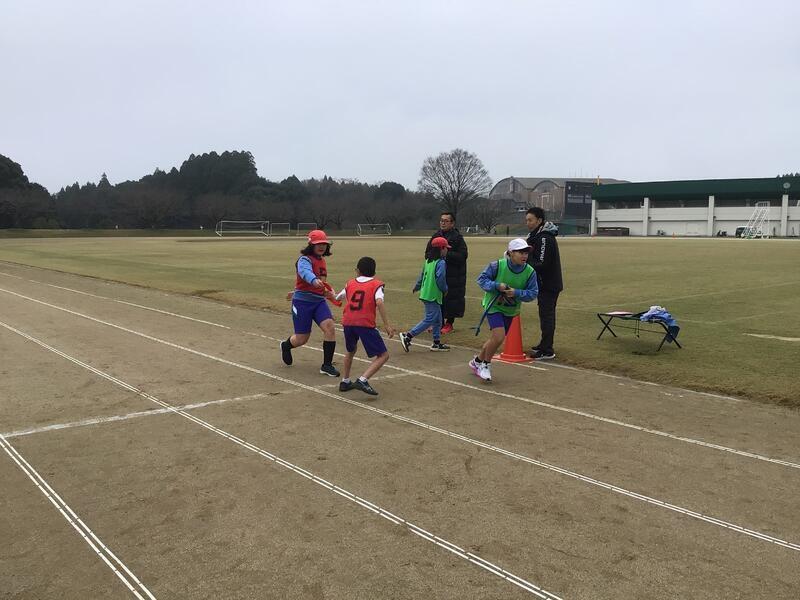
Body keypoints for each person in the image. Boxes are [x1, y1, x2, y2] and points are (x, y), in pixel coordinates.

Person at [469, 238, 538, 382]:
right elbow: (481, 280)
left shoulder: (530, 272)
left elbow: (533, 293)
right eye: (520, 252)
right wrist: (496, 286)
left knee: (495, 339)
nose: (524, 256)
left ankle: (477, 361)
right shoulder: (496, 266)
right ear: (511, 253)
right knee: (499, 337)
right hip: (493, 306)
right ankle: (485, 365)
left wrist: (516, 293)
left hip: (511, 310)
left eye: (526, 252)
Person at [280, 229, 340, 376]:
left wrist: (329, 293)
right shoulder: (304, 260)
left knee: (330, 328)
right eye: (318, 244)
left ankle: (326, 365)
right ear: (311, 245)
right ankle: (286, 346)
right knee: (302, 339)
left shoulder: (322, 261)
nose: (322, 246)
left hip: (319, 302)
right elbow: (305, 272)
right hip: (302, 303)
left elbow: (322, 284)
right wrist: (313, 280)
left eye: (324, 244)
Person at [335, 257, 396, 397]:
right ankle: (363, 379)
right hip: (364, 323)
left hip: (348, 321)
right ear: (374, 272)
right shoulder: (376, 284)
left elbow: (338, 297)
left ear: (357, 270)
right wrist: (387, 325)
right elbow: (379, 302)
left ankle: (345, 381)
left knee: (351, 350)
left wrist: (330, 293)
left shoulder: (350, 283)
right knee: (383, 355)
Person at [399, 236, 451, 352]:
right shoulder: (441, 262)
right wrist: (445, 289)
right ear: (441, 249)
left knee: (438, 319)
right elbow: (440, 278)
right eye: (445, 248)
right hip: (433, 295)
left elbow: (422, 276)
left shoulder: (428, 261)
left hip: (426, 293)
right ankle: (408, 336)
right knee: (430, 319)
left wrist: (417, 286)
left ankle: (436, 343)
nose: (447, 250)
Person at [525, 207, 563, 360]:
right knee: (544, 315)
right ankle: (544, 344)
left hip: (549, 284)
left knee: (547, 316)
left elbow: (542, 263)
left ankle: (547, 349)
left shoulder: (544, 238)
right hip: (543, 284)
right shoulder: (535, 236)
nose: (528, 223)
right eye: (526, 220)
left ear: (539, 220)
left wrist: (525, 259)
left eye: (530, 220)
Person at [424, 212, 468, 334]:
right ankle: (438, 322)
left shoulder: (457, 238)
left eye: (446, 221)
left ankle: (449, 323)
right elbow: (427, 253)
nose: (443, 223)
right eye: (441, 220)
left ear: (452, 223)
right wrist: (435, 257)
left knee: (451, 299)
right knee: (438, 299)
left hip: (454, 275)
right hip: (439, 272)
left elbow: (463, 256)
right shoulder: (436, 236)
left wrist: (447, 254)